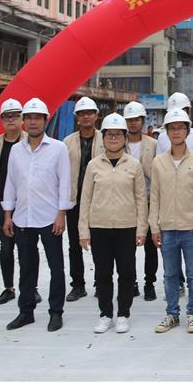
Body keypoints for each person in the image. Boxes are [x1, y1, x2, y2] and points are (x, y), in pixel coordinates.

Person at [2, 98, 73, 332]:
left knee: (56, 267)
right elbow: (10, 183)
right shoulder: (16, 150)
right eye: (29, 118)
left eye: (37, 118)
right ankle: (26, 312)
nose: (33, 122)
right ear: (24, 121)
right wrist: (8, 215)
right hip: (23, 217)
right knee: (27, 267)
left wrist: (61, 214)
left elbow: (65, 183)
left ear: (45, 120)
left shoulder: (58, 148)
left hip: (50, 218)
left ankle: (56, 312)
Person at [79, 113, 148, 334]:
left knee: (126, 273)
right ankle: (106, 314)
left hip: (126, 227)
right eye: (109, 134)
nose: (114, 138)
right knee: (102, 274)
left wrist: (141, 229)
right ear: (103, 138)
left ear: (125, 138)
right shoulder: (94, 165)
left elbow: (141, 199)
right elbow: (86, 199)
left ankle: (123, 314)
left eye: (118, 134)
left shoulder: (134, 165)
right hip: (99, 227)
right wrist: (83, 231)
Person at [149, 108, 193, 334]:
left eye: (180, 128)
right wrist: (154, 227)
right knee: (170, 275)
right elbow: (154, 196)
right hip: (167, 228)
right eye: (172, 128)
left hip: (191, 228)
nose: (176, 132)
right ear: (166, 132)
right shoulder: (158, 162)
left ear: (188, 131)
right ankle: (172, 314)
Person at [63, 97, 104, 302]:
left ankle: (100, 283)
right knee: (74, 244)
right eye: (82, 113)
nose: (86, 116)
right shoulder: (67, 143)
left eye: (89, 113)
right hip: (75, 200)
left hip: (99, 200)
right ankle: (77, 285)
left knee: (100, 244)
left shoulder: (105, 139)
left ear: (96, 116)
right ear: (77, 117)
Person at [0, 99, 29, 306]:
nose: (11, 119)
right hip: (3, 201)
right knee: (6, 247)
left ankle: (30, 287)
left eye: (15, 115)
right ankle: (9, 287)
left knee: (26, 247)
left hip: (25, 201)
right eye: (7, 116)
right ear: (1, 120)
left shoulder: (30, 141)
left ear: (22, 119)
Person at [122, 101, 158, 301]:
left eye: (136, 119)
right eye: (130, 120)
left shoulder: (153, 144)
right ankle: (131, 282)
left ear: (143, 121)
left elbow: (158, 173)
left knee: (151, 246)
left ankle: (149, 283)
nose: (133, 123)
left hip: (149, 199)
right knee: (127, 247)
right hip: (127, 201)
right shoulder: (119, 143)